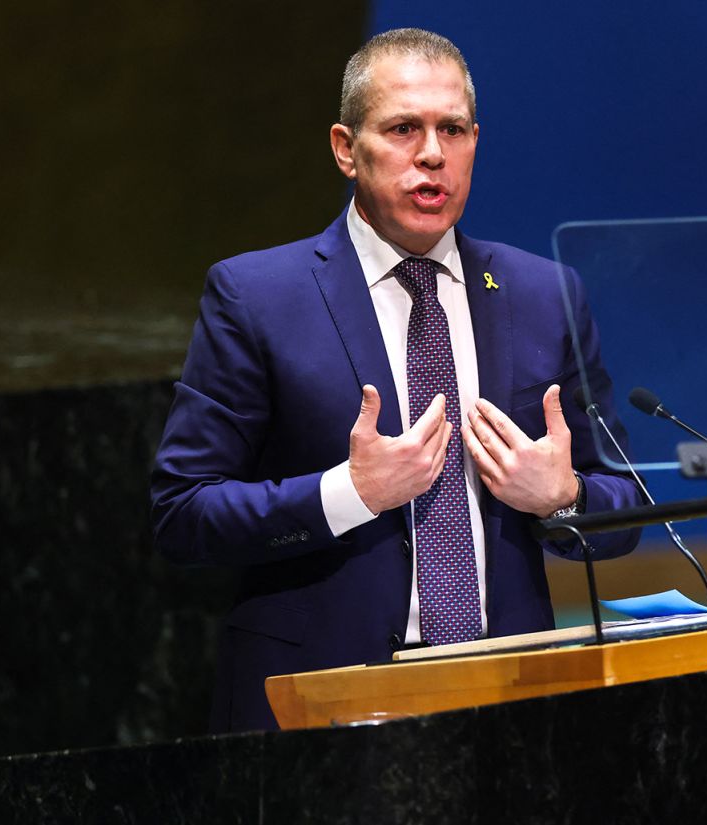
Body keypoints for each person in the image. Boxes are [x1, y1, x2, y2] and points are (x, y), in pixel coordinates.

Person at [151, 28, 641, 732]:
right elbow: (183, 513)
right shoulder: (256, 296)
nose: (433, 154)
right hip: (320, 705)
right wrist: (347, 493)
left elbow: (623, 501)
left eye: (454, 129)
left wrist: (562, 498)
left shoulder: (543, 293)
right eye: (404, 128)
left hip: (508, 698)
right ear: (346, 149)